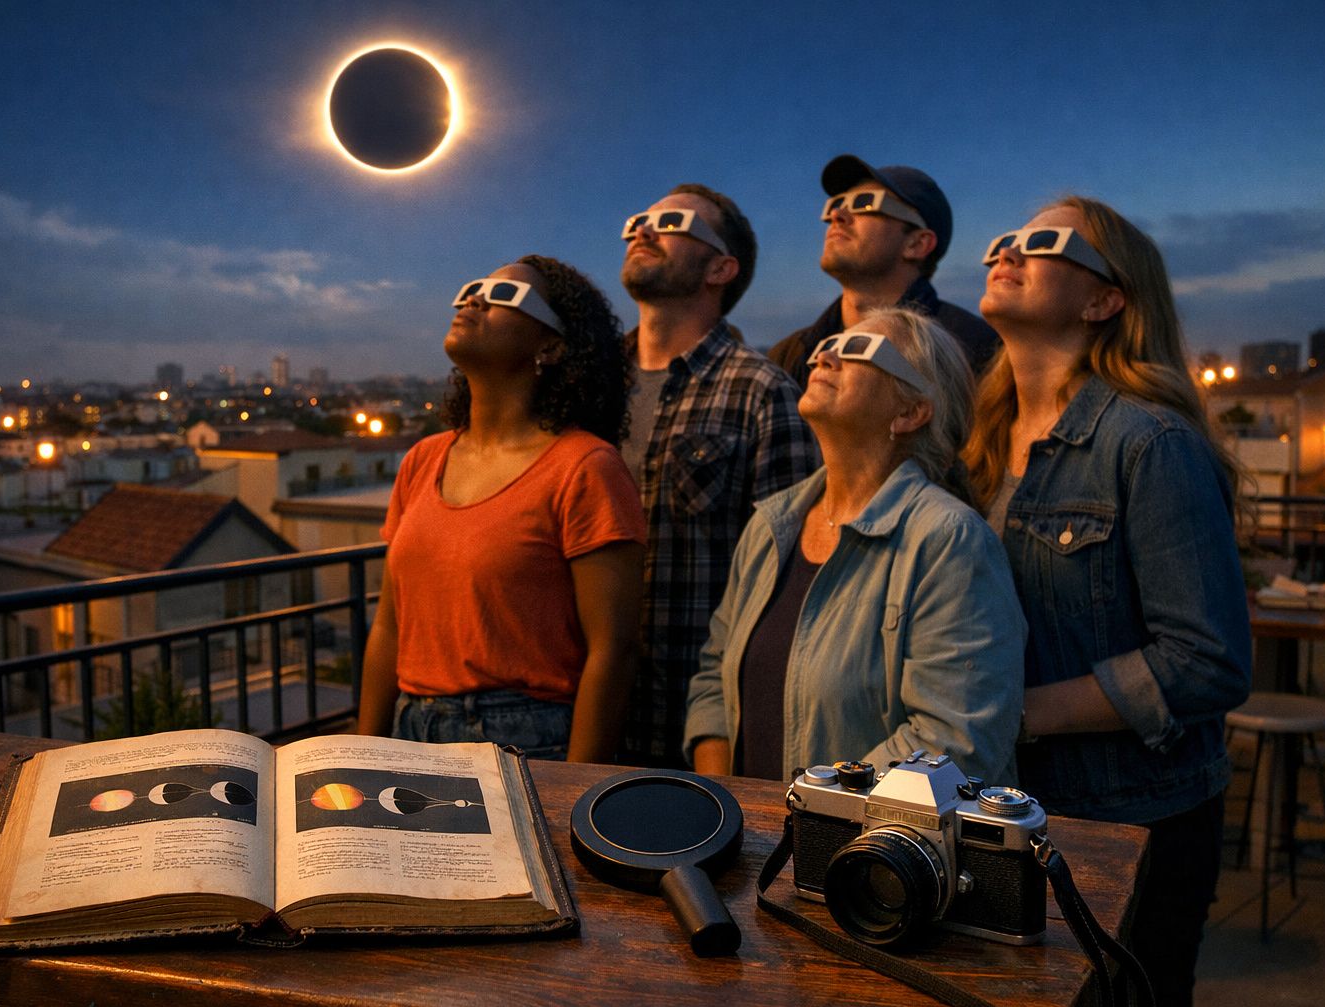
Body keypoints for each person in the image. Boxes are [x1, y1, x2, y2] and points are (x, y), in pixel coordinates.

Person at [963, 197, 1251, 1007]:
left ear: (1105, 299)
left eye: (1044, 244)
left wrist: (1013, 713)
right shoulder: (978, 450)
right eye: (1005, 241)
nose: (1009, 253)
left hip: (1133, 819)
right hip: (1009, 809)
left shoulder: (1149, 443)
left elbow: (1208, 660)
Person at [684, 307, 1024, 783]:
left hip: (860, 851)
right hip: (751, 844)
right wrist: (729, 802)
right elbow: (713, 681)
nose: (825, 355)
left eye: (858, 349)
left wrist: (804, 814)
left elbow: (951, 743)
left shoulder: (949, 543)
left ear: (910, 412)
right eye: (830, 345)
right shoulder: (771, 525)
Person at [357, 256, 646, 763]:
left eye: (504, 296)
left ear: (551, 346)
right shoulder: (424, 460)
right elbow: (389, 626)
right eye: (473, 288)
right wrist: (361, 756)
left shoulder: (585, 467)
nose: (474, 300)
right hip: (410, 732)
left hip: (525, 742)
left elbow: (613, 652)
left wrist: (576, 797)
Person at [615, 183, 820, 767]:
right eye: (639, 220)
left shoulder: (763, 393)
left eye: (673, 222)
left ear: (721, 268)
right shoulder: (592, 387)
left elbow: (786, 586)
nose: (644, 231)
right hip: (579, 709)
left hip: (691, 726)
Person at [768, 155, 999, 389]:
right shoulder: (788, 357)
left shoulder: (976, 350)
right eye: (835, 205)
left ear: (917, 244)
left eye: (865, 203)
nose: (837, 216)